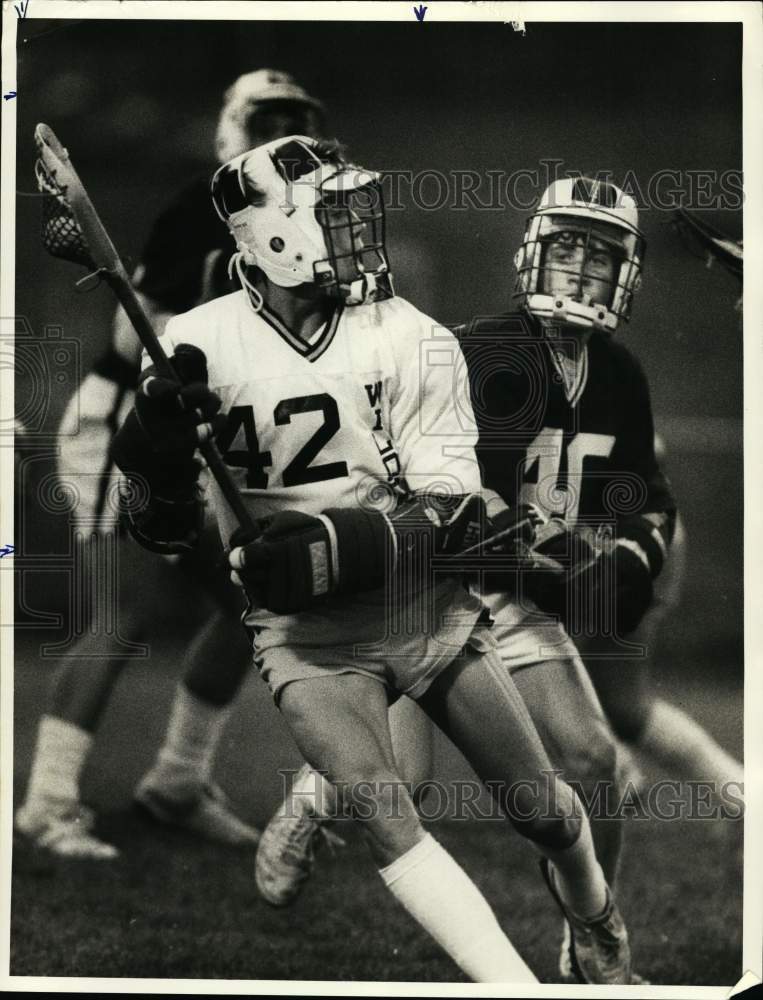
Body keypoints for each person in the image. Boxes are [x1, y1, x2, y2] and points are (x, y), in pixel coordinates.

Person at [111, 135, 633, 984]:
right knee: (389, 812)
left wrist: (329, 546)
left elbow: (454, 513)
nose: (358, 228)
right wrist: (154, 449)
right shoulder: (192, 342)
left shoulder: (409, 334)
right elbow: (160, 530)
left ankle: (593, 908)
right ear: (272, 234)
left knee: (540, 809)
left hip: (420, 605)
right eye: (332, 212)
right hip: (304, 635)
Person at [15, 69, 326, 859]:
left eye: (296, 120)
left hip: (203, 428)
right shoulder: (204, 206)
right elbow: (135, 345)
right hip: (129, 420)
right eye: (269, 119)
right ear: (234, 128)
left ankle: (177, 782)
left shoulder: (307, 216)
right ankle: (46, 804)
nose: (282, 133)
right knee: (122, 619)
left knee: (245, 607)